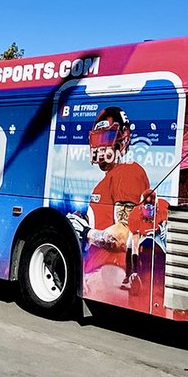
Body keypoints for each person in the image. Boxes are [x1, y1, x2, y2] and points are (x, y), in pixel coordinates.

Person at [67, 106, 152, 301]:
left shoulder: (127, 173)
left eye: (105, 138)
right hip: (101, 273)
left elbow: (125, 236)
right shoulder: (109, 178)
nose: (99, 148)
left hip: (112, 275)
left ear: (123, 138)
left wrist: (86, 231)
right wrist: (86, 222)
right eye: (97, 140)